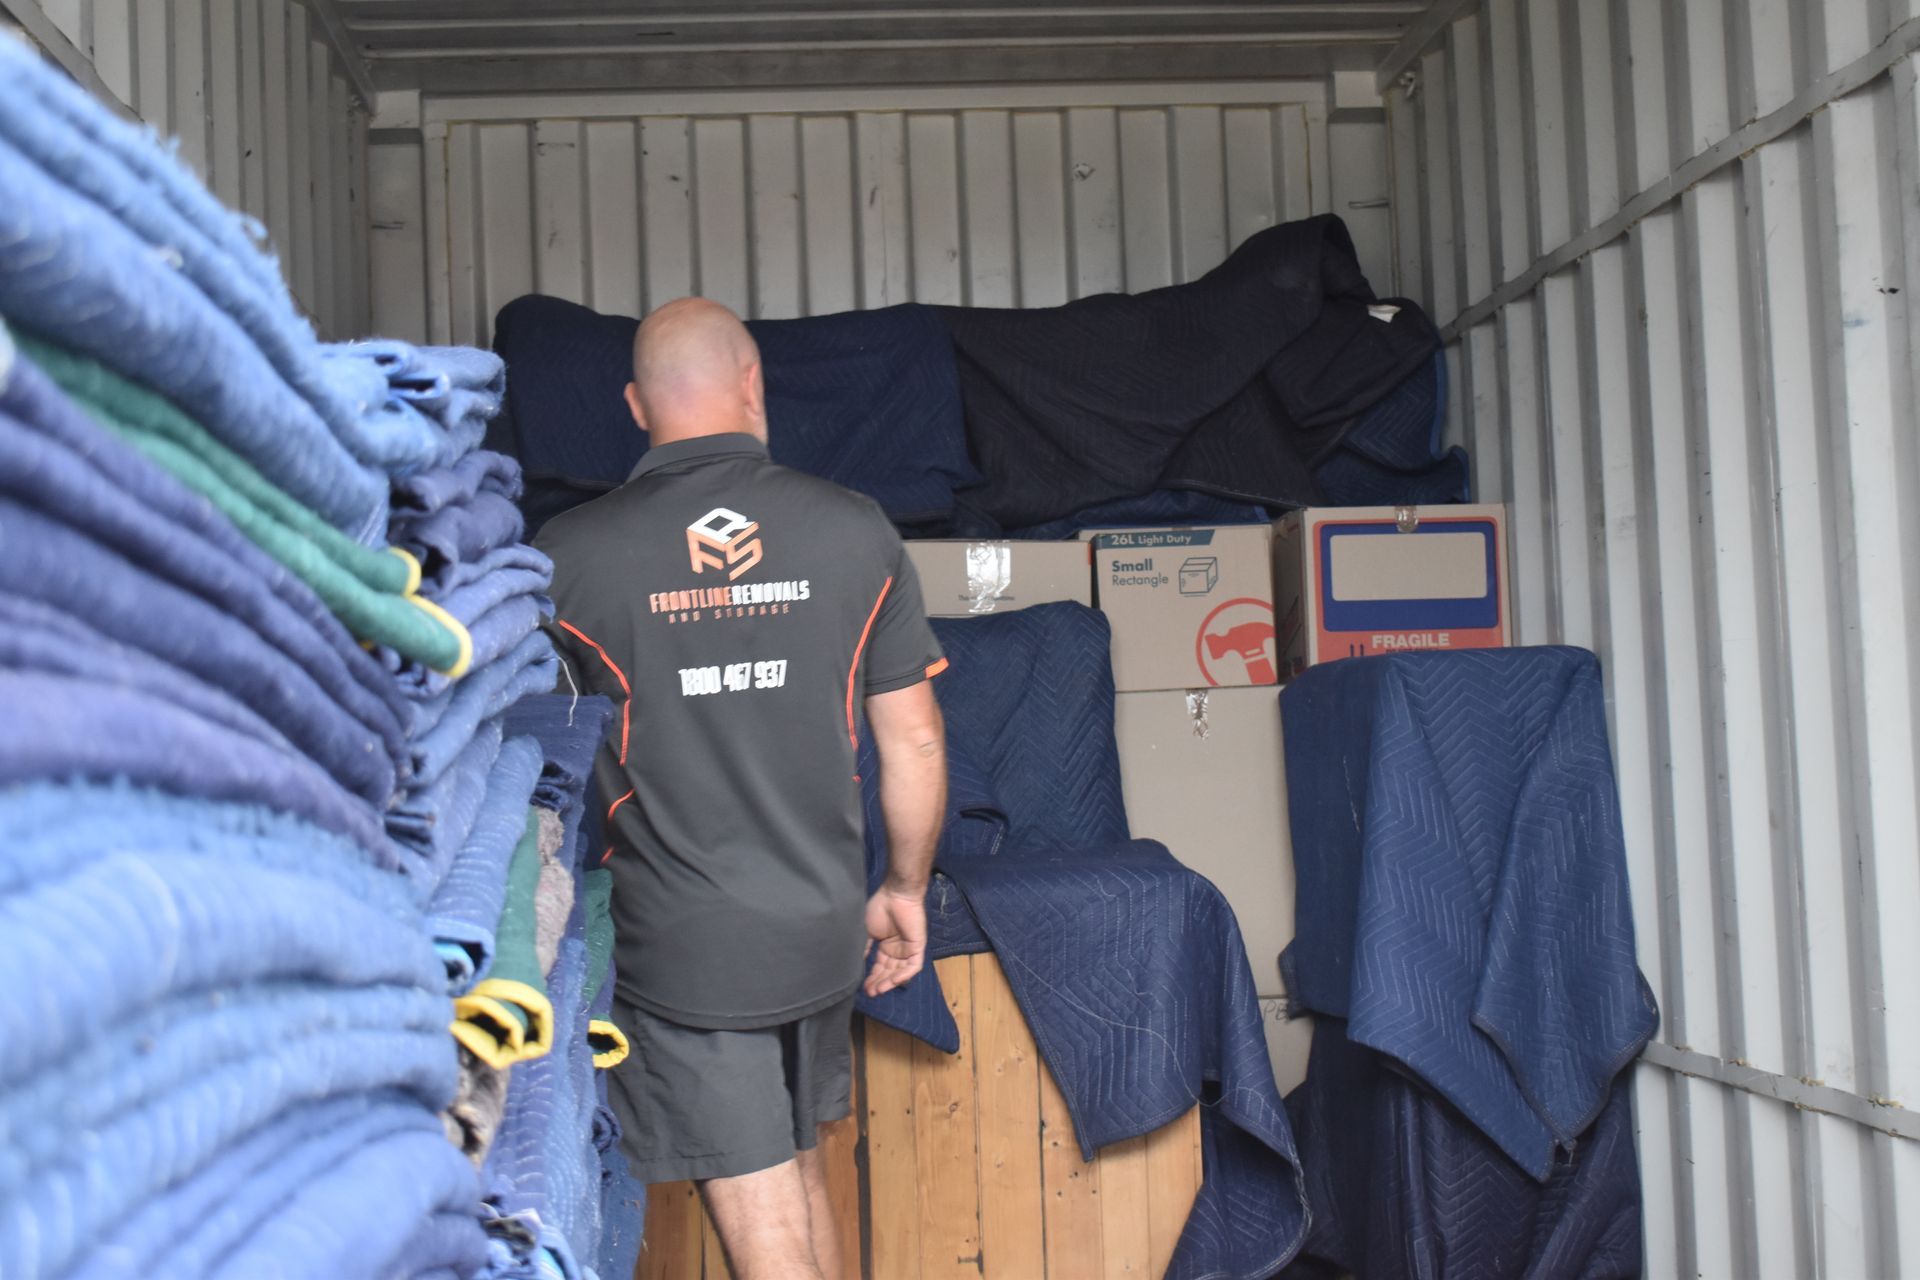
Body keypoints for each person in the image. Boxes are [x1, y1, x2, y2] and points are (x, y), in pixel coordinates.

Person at [536, 298, 948, 1280]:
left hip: (684, 939)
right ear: (754, 382)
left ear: (638, 405)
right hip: (819, 924)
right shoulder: (855, 530)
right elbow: (917, 740)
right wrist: (904, 889)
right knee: (798, 1165)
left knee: (757, 1193)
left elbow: (534, 750)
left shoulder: (566, 556)